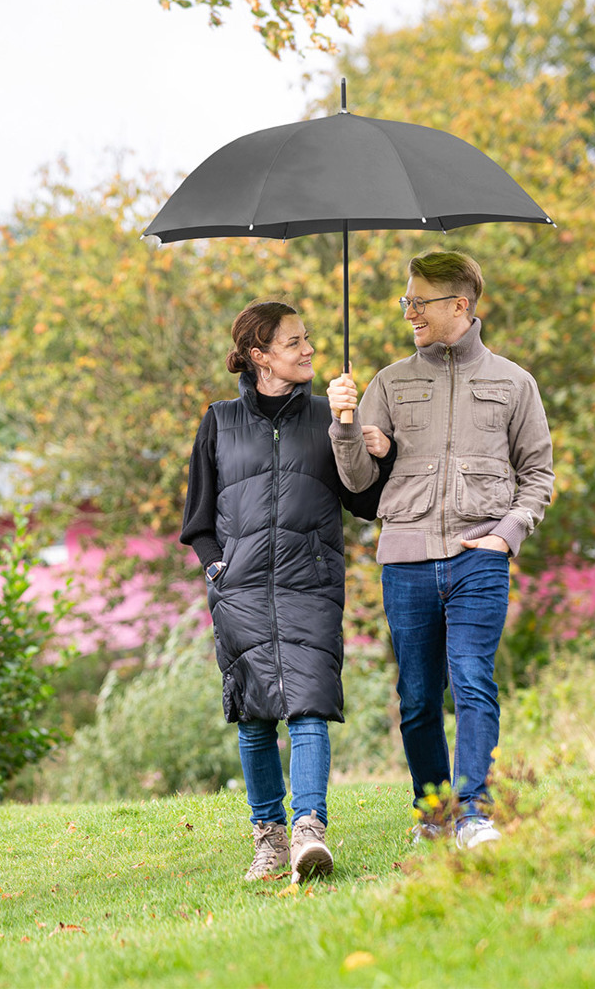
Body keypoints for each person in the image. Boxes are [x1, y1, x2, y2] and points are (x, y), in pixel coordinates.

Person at [326, 250, 554, 850]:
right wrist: (348, 426)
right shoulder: (388, 383)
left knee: (474, 678)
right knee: (418, 696)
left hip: (480, 553)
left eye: (418, 302)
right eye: (406, 301)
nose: (409, 313)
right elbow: (354, 481)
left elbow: (538, 475)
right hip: (405, 557)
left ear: (461, 305)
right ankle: (435, 812)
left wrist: (507, 534)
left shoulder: (514, 383)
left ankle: (475, 813)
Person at [181, 300, 394, 882]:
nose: (309, 350)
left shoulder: (329, 415)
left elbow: (365, 501)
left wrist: (368, 441)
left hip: (310, 583)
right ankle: (269, 841)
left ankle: (308, 833)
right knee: (254, 716)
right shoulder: (219, 421)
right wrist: (216, 571)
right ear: (259, 355)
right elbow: (198, 518)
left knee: (309, 707)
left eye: (309, 339)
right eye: (295, 342)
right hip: (240, 588)